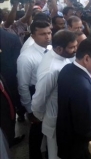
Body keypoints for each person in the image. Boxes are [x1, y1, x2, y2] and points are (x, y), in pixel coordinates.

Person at [31, 30, 77, 159]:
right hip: (55, 119)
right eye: (72, 47)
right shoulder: (51, 70)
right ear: (58, 48)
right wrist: (45, 117)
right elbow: (38, 100)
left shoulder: (61, 57)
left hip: (64, 117)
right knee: (56, 154)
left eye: (75, 46)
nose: (75, 50)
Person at [56, 39, 91, 159]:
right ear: (87, 58)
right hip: (79, 147)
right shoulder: (83, 88)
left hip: (66, 138)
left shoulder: (67, 69)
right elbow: (86, 128)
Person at [17, 21, 52, 159]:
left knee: (49, 129)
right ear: (33, 36)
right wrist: (29, 109)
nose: (48, 37)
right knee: (37, 131)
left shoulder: (51, 49)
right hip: (35, 94)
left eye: (49, 33)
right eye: (42, 34)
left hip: (50, 94)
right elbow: (23, 85)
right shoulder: (26, 57)